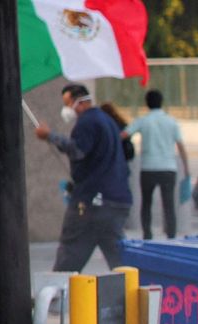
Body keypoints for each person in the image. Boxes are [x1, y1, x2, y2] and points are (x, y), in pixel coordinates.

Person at [35, 83, 131, 271]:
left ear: (78, 102)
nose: (66, 109)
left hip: (91, 202)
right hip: (116, 201)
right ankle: (129, 295)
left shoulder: (88, 122)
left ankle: (58, 295)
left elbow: (77, 150)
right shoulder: (106, 120)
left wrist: (49, 136)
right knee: (120, 264)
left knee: (68, 260)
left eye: (67, 103)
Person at [122, 89, 188, 241]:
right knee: (169, 204)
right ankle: (171, 235)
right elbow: (180, 145)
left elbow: (124, 135)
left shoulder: (143, 120)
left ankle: (147, 234)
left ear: (147, 103)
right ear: (161, 102)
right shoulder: (171, 121)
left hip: (148, 168)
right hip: (168, 167)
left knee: (146, 202)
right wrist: (186, 167)